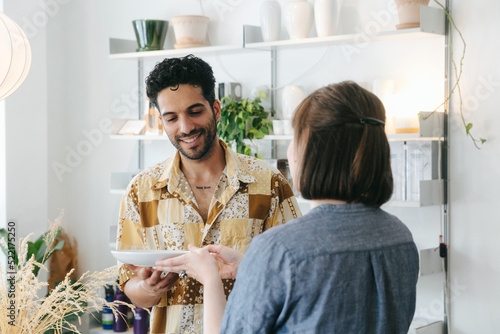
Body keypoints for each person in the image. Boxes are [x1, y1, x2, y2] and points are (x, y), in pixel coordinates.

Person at [157, 81, 420, 334]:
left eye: (296, 137)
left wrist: (211, 279)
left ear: (314, 153)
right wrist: (253, 267)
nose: (291, 148)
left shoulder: (279, 249)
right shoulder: (399, 237)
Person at [115, 55, 302, 334]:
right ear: (161, 121)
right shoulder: (140, 191)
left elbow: (295, 275)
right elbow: (130, 287)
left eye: (194, 111)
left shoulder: (269, 183)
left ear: (215, 109)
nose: (185, 127)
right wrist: (148, 287)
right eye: (172, 118)